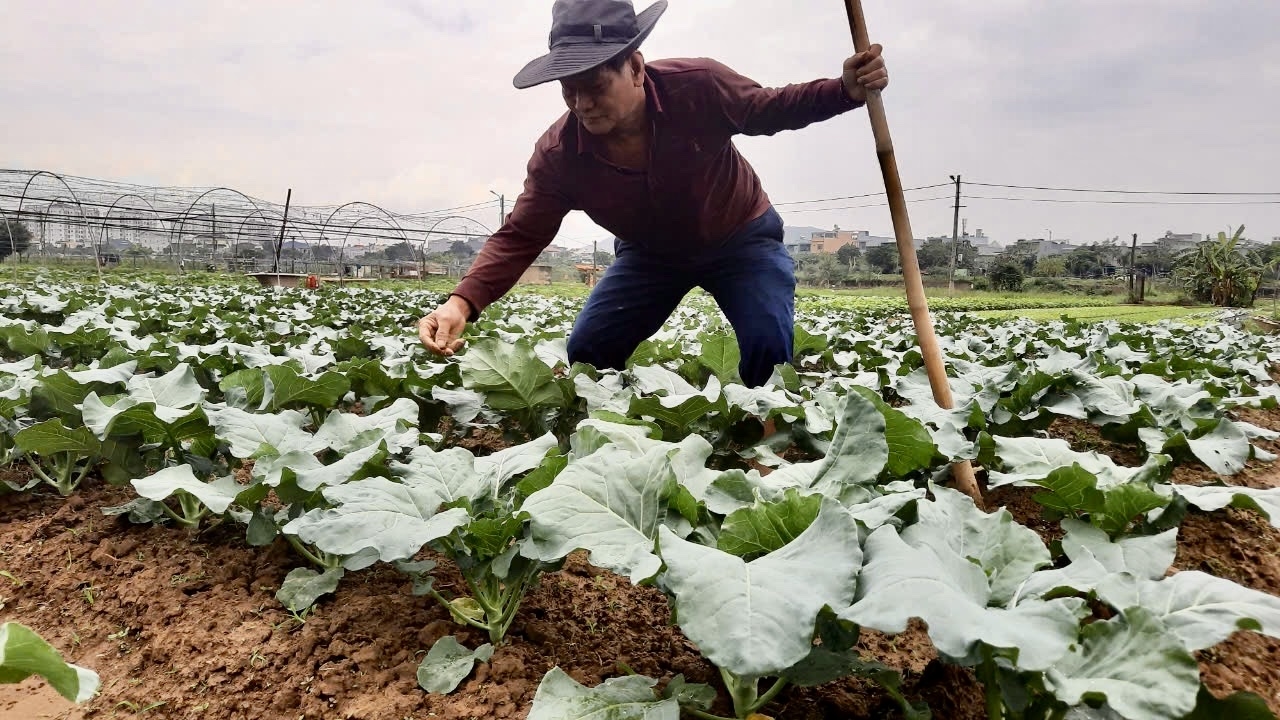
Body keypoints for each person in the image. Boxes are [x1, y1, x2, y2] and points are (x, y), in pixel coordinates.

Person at [418, 0, 888, 387]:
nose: (582, 104)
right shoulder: (561, 154)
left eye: (595, 87)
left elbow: (769, 108)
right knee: (588, 353)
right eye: (568, 91)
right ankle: (611, 431)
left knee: (769, 346)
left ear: (637, 68)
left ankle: (767, 438)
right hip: (652, 257)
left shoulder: (698, 86)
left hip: (740, 239)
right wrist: (460, 303)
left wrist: (843, 89)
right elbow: (521, 236)